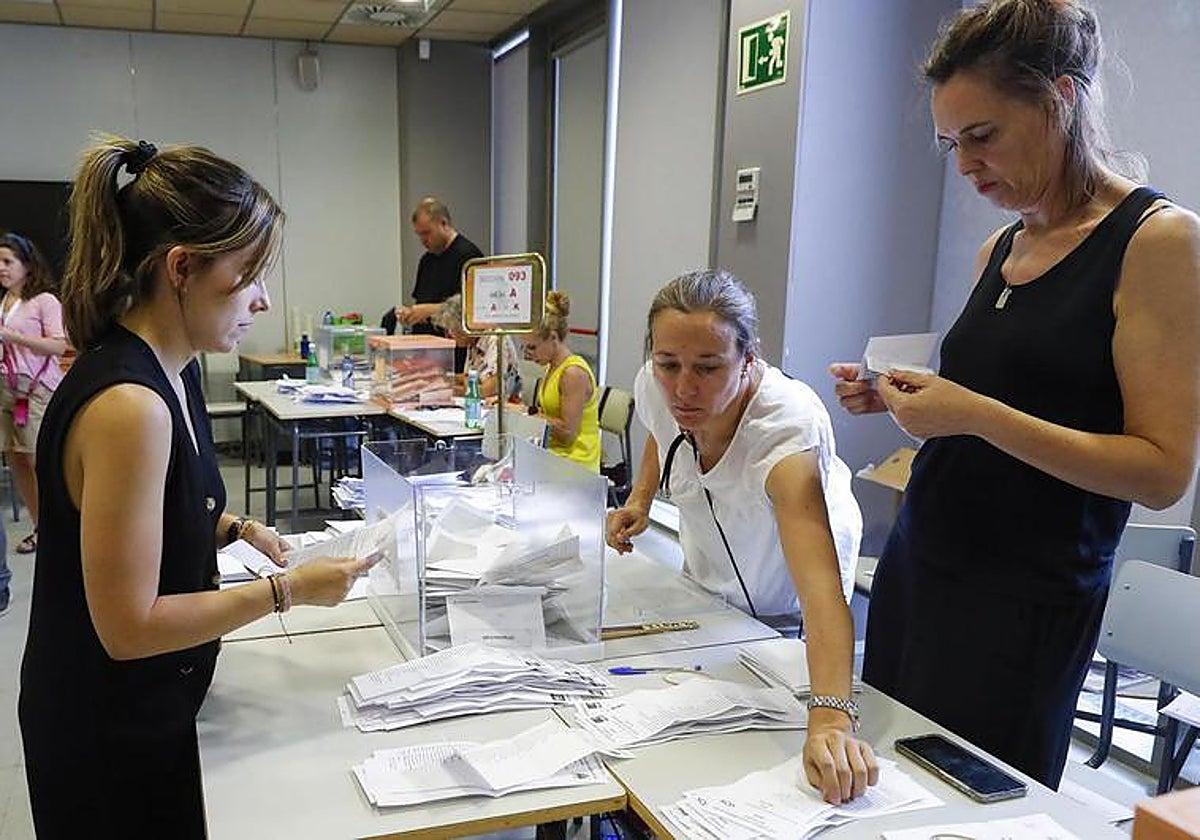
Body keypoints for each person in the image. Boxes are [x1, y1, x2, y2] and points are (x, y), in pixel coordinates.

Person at [831, 0, 1200, 789]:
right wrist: (905, 402)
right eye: (950, 143)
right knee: (886, 791)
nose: (964, 165)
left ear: (1060, 99)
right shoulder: (999, 246)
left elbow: (1163, 469)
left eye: (983, 136)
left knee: (976, 809)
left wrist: (971, 412)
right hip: (922, 565)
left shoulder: (1159, 243)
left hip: (1023, 601)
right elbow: (991, 424)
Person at [18, 136, 372, 838]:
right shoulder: (131, 404)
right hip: (105, 732)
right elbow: (128, 627)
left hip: (153, 704)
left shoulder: (174, 373)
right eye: (249, 274)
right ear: (182, 268)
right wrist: (290, 591)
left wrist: (237, 529)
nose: (265, 299)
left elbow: (149, 505)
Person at [608, 270, 875, 804]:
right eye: (669, 364)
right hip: (713, 578)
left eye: (709, 368)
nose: (684, 387)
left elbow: (820, 593)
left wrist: (830, 722)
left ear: (750, 357)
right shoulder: (658, 384)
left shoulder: (785, 428)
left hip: (786, 593)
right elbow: (664, 432)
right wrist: (640, 498)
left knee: (761, 739)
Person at [0, 232, 69, 555]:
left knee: (40, 459)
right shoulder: (6, 302)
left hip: (37, 389)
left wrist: (11, 336)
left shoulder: (44, 300)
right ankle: (42, 527)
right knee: (17, 459)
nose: (2, 268)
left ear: (27, 264)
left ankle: (61, 527)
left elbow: (58, 345)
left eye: (7, 261)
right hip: (8, 390)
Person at [521, 291, 601, 473]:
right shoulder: (551, 368)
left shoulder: (572, 373)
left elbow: (567, 434)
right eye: (525, 347)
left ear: (554, 338)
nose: (528, 354)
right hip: (555, 457)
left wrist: (528, 414)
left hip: (576, 466)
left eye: (532, 347)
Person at [394, 197, 482, 337]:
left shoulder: (469, 257)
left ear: (444, 223)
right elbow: (422, 302)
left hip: (456, 348)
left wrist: (430, 310)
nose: (423, 240)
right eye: (419, 234)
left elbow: (475, 308)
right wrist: (411, 313)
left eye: (427, 233)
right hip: (427, 347)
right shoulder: (427, 260)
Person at [432, 293, 521, 400]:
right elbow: (470, 378)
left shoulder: (495, 339)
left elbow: (486, 391)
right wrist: (443, 379)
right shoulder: (473, 341)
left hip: (500, 409)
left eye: (451, 329)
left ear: (464, 325)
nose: (449, 336)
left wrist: (449, 390)